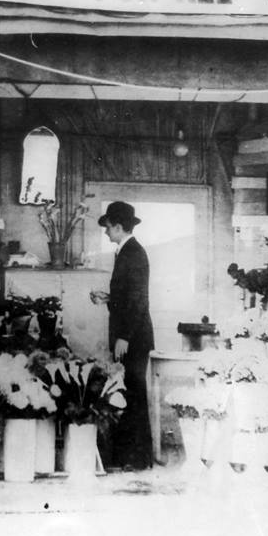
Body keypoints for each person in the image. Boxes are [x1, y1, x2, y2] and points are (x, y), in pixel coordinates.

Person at [90, 201, 155, 471]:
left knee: (133, 394)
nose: (105, 232)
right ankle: (127, 456)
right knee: (125, 391)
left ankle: (138, 459)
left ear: (118, 226)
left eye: (107, 227)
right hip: (129, 334)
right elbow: (128, 297)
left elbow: (139, 301)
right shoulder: (126, 251)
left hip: (133, 338)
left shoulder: (134, 253)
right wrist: (109, 298)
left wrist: (124, 337)